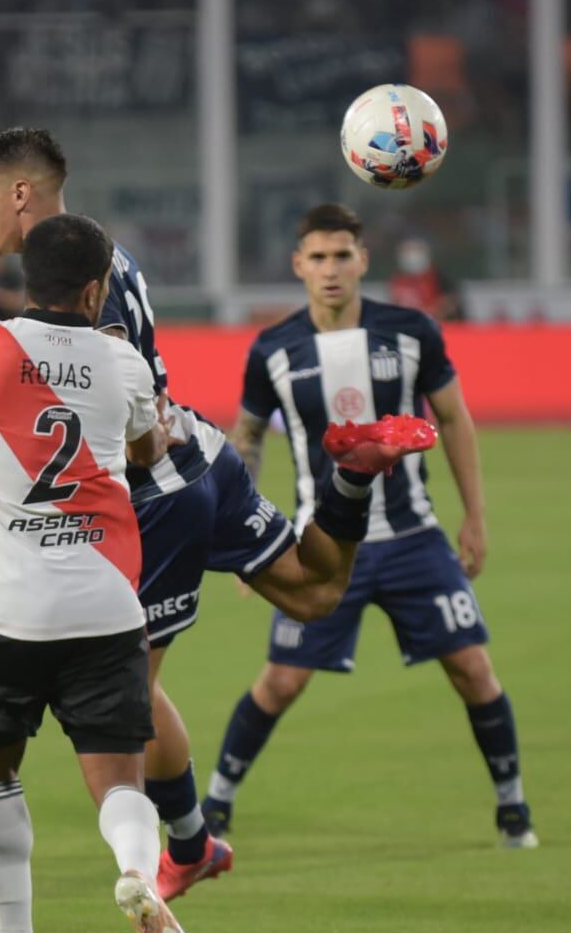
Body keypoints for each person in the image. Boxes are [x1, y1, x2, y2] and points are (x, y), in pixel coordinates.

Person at [0, 128, 432, 905]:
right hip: (203, 455)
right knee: (317, 592)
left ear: (20, 194)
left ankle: (185, 848)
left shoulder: (77, 286)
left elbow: (122, 425)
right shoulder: (105, 254)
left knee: (124, 698)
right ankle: (348, 479)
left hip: (153, 502)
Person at [0, 212, 193, 933]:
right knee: (119, 779)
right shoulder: (121, 360)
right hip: (105, 605)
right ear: (98, 288)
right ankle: (137, 871)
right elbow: (147, 450)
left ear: (23, 280)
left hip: (7, 612)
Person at [200, 203, 538, 850]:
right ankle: (215, 801)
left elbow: (455, 419)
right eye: (318, 257)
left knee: (472, 667)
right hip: (321, 549)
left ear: (363, 260)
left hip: (413, 537)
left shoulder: (411, 331)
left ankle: (513, 807)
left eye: (342, 255)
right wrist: (247, 546)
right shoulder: (273, 348)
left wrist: (475, 516)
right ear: (298, 265)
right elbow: (245, 439)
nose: (330, 269)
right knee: (281, 680)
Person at [387, 235, 463, 323]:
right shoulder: (397, 281)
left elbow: (450, 304)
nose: (411, 255)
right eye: (407, 251)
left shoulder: (438, 278)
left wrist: (436, 313)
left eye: (416, 250)